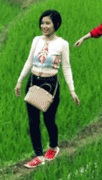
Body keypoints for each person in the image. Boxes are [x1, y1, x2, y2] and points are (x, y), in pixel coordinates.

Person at [15, 9, 80, 169]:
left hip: (50, 84)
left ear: (56, 24)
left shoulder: (62, 44)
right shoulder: (36, 40)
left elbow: (66, 67)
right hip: (33, 81)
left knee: (49, 120)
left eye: (48, 23)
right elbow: (29, 61)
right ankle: (38, 155)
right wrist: (19, 80)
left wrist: (72, 90)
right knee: (33, 121)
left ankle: (53, 147)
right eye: (42, 23)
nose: (44, 26)